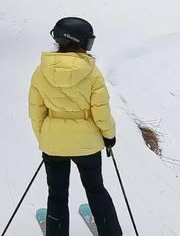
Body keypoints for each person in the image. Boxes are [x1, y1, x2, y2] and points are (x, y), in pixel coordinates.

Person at [28, 17, 123, 236]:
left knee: (57, 194)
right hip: (87, 145)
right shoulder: (91, 72)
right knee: (96, 190)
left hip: (53, 144)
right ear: (82, 42)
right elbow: (101, 111)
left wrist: (44, 138)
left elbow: (36, 111)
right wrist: (109, 136)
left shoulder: (41, 71)